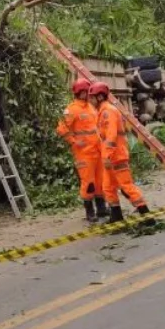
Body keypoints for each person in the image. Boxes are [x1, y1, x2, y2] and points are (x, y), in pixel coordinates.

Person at [88, 82, 154, 225]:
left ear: (100, 97)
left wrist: (107, 155)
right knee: (108, 187)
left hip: (116, 156)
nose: (90, 100)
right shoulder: (102, 111)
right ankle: (116, 215)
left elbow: (111, 136)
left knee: (126, 186)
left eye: (92, 97)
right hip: (110, 157)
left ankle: (147, 216)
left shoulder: (108, 111)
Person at [57, 78, 108, 222]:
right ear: (79, 92)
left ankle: (101, 209)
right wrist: (73, 141)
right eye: (86, 91)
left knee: (100, 181)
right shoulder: (72, 109)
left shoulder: (91, 107)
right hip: (83, 153)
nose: (88, 94)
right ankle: (90, 212)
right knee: (88, 183)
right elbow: (61, 128)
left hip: (97, 151)